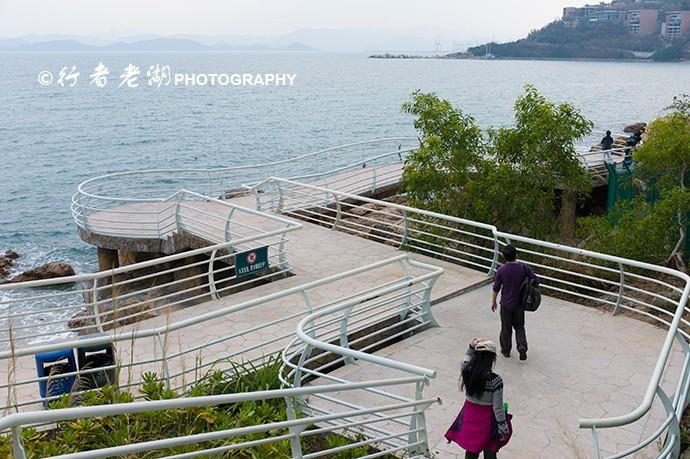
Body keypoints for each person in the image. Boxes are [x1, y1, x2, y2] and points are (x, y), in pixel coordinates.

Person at [445, 338, 510, 458]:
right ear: (492, 359)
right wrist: (503, 427)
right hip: (487, 422)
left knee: (471, 451)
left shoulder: (466, 371)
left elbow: (466, 356)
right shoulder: (496, 381)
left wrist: (471, 345)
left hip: (469, 417)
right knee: (490, 449)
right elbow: (498, 408)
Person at [491, 245, 539, 361]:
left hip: (506, 304)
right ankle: (522, 346)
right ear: (515, 254)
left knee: (506, 328)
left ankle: (506, 350)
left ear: (504, 256)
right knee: (519, 326)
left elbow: (496, 288)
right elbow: (536, 280)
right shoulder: (524, 267)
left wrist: (493, 301)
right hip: (519, 304)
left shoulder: (501, 270)